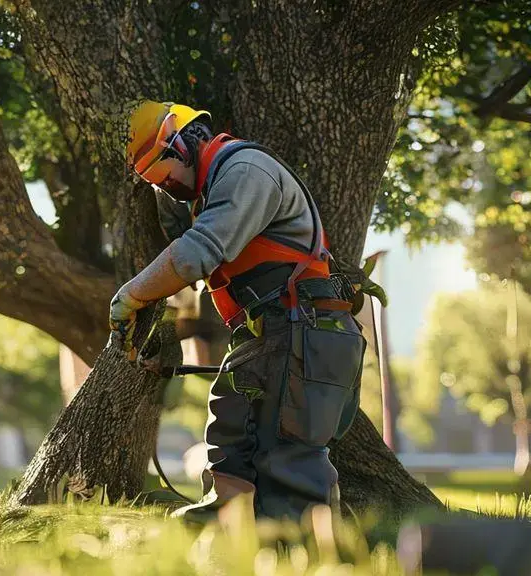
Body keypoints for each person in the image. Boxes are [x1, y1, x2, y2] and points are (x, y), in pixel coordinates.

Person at [109, 100, 367, 521]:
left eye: (161, 170)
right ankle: (228, 532)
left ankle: (306, 553)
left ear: (184, 141)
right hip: (271, 337)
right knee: (232, 446)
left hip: (303, 333)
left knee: (290, 472)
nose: (166, 185)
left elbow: (196, 255)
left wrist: (132, 295)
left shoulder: (246, 171)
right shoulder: (211, 190)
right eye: (153, 181)